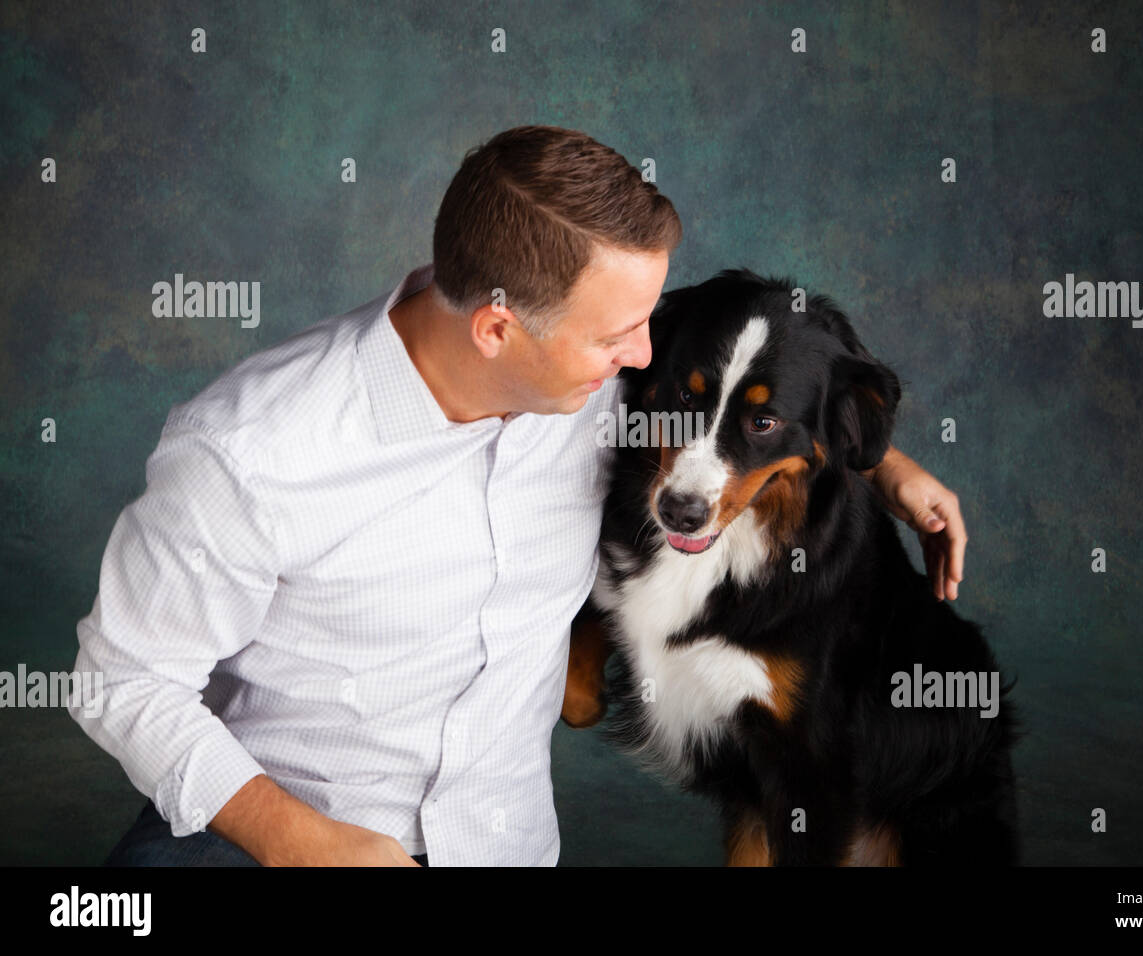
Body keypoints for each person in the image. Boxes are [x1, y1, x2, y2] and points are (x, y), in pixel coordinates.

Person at [68, 124, 968, 867]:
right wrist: (302, 843)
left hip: (500, 846)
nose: (647, 361)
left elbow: (755, 396)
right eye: (620, 335)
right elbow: (124, 680)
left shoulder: (591, 385)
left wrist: (886, 472)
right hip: (263, 836)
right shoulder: (249, 452)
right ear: (499, 327)